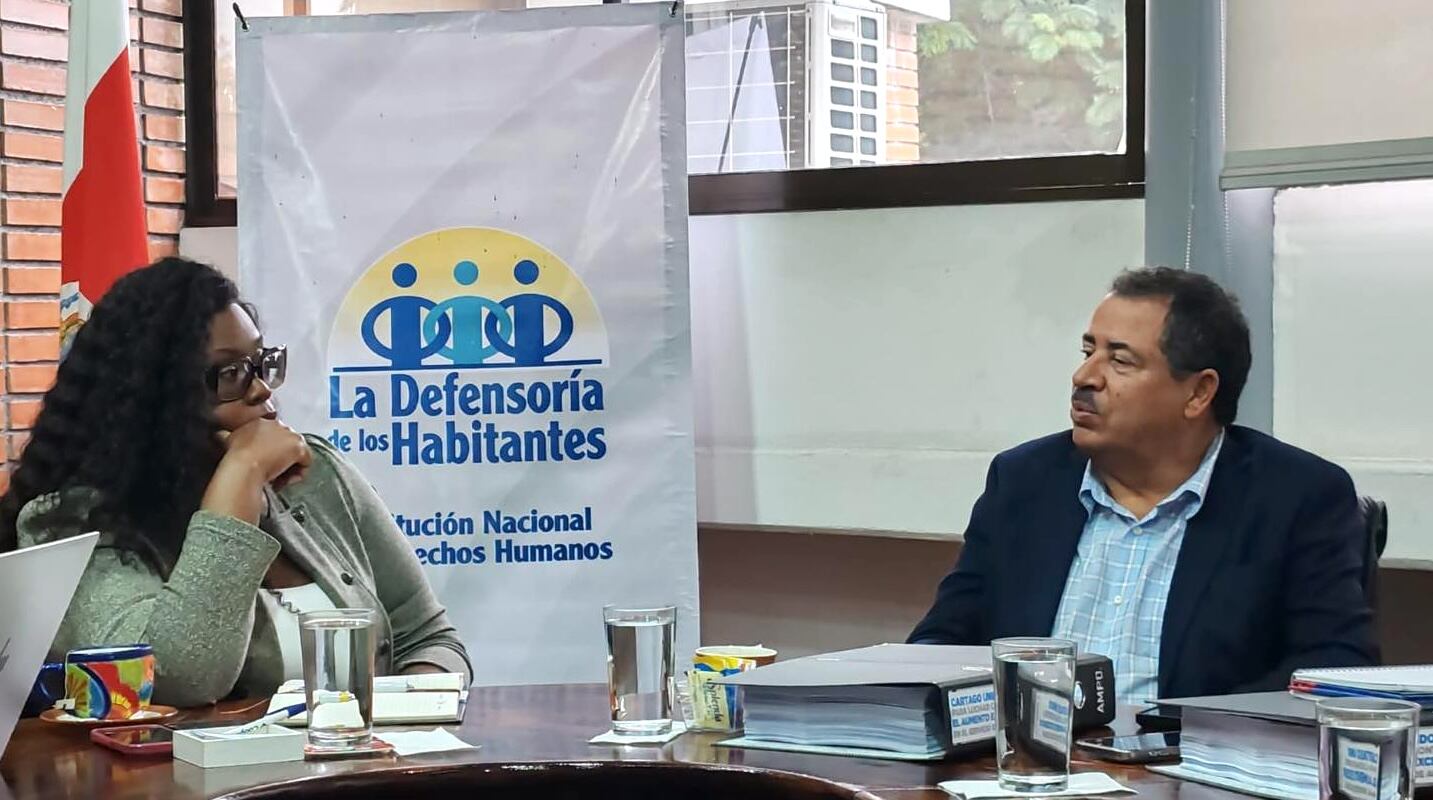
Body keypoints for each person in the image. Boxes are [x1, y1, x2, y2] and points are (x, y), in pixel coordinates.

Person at [0, 258, 471, 707]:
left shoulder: (316, 476)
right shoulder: (73, 525)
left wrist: (403, 714)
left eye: (260, 362)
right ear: (156, 399)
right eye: (231, 373)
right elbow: (182, 674)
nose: (262, 389)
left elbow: (428, 638)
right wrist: (239, 481)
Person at [909, 267, 1376, 704]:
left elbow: (1334, 667)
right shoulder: (1024, 482)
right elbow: (942, 643)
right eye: (1088, 351)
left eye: (1120, 360)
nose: (1085, 377)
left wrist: (1181, 741)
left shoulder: (1296, 497)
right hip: (1027, 769)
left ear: (1198, 393)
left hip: (1191, 775)